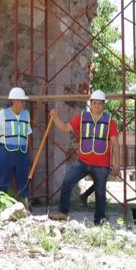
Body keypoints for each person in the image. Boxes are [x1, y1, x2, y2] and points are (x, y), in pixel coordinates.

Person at [49, 90, 119, 226]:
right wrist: (55, 117)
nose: (97, 106)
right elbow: (64, 128)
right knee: (67, 181)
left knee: (100, 193)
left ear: (104, 105)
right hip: (83, 162)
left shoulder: (110, 121)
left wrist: (116, 164)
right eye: (94, 103)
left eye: (100, 104)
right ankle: (63, 213)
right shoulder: (81, 117)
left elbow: (115, 144)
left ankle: (99, 222)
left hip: (101, 164)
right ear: (90, 104)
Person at [0, 87, 32, 201]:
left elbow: (28, 134)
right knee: (3, 180)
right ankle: (0, 205)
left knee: (23, 180)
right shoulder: (3, 113)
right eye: (21, 100)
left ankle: (25, 203)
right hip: (5, 151)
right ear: (14, 100)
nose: (23, 103)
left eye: (24, 101)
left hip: (22, 152)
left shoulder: (26, 114)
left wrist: (29, 152)